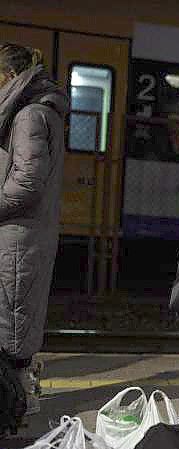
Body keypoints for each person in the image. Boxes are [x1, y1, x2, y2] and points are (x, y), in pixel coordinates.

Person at [0, 43, 67, 416]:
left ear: (10, 77)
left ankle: (16, 409)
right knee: (15, 326)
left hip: (17, 237)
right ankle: (18, 404)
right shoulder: (36, 112)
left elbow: (27, 182)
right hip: (18, 235)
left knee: (11, 332)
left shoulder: (29, 115)